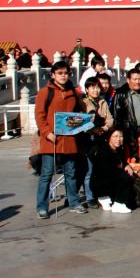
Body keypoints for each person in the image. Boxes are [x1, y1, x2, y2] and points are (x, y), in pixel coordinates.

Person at [34, 61, 89, 218]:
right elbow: (39, 114)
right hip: (51, 139)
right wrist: (46, 132)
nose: (63, 76)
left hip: (69, 139)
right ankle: (42, 207)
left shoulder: (73, 93)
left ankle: (73, 202)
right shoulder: (46, 92)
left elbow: (78, 112)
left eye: (65, 73)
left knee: (71, 173)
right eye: (60, 73)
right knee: (46, 173)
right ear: (53, 75)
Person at [81, 76, 114, 208]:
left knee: (101, 169)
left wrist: (104, 128)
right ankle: (89, 197)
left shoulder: (103, 102)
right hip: (88, 140)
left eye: (97, 87)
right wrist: (93, 130)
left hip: (102, 138)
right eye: (92, 87)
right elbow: (81, 122)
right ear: (87, 89)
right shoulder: (83, 103)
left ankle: (101, 194)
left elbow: (110, 119)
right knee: (89, 170)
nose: (95, 90)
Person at [90, 128, 140, 213]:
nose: (119, 139)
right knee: (125, 177)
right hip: (101, 183)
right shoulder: (104, 151)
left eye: (121, 136)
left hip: (110, 179)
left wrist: (127, 166)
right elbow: (107, 171)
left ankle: (116, 200)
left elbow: (122, 162)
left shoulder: (118, 149)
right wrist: (123, 171)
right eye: (115, 136)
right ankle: (118, 203)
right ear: (109, 137)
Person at [112, 68, 140, 143]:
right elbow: (117, 117)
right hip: (128, 133)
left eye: (139, 79)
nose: (137, 82)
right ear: (128, 80)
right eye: (135, 79)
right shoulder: (121, 94)